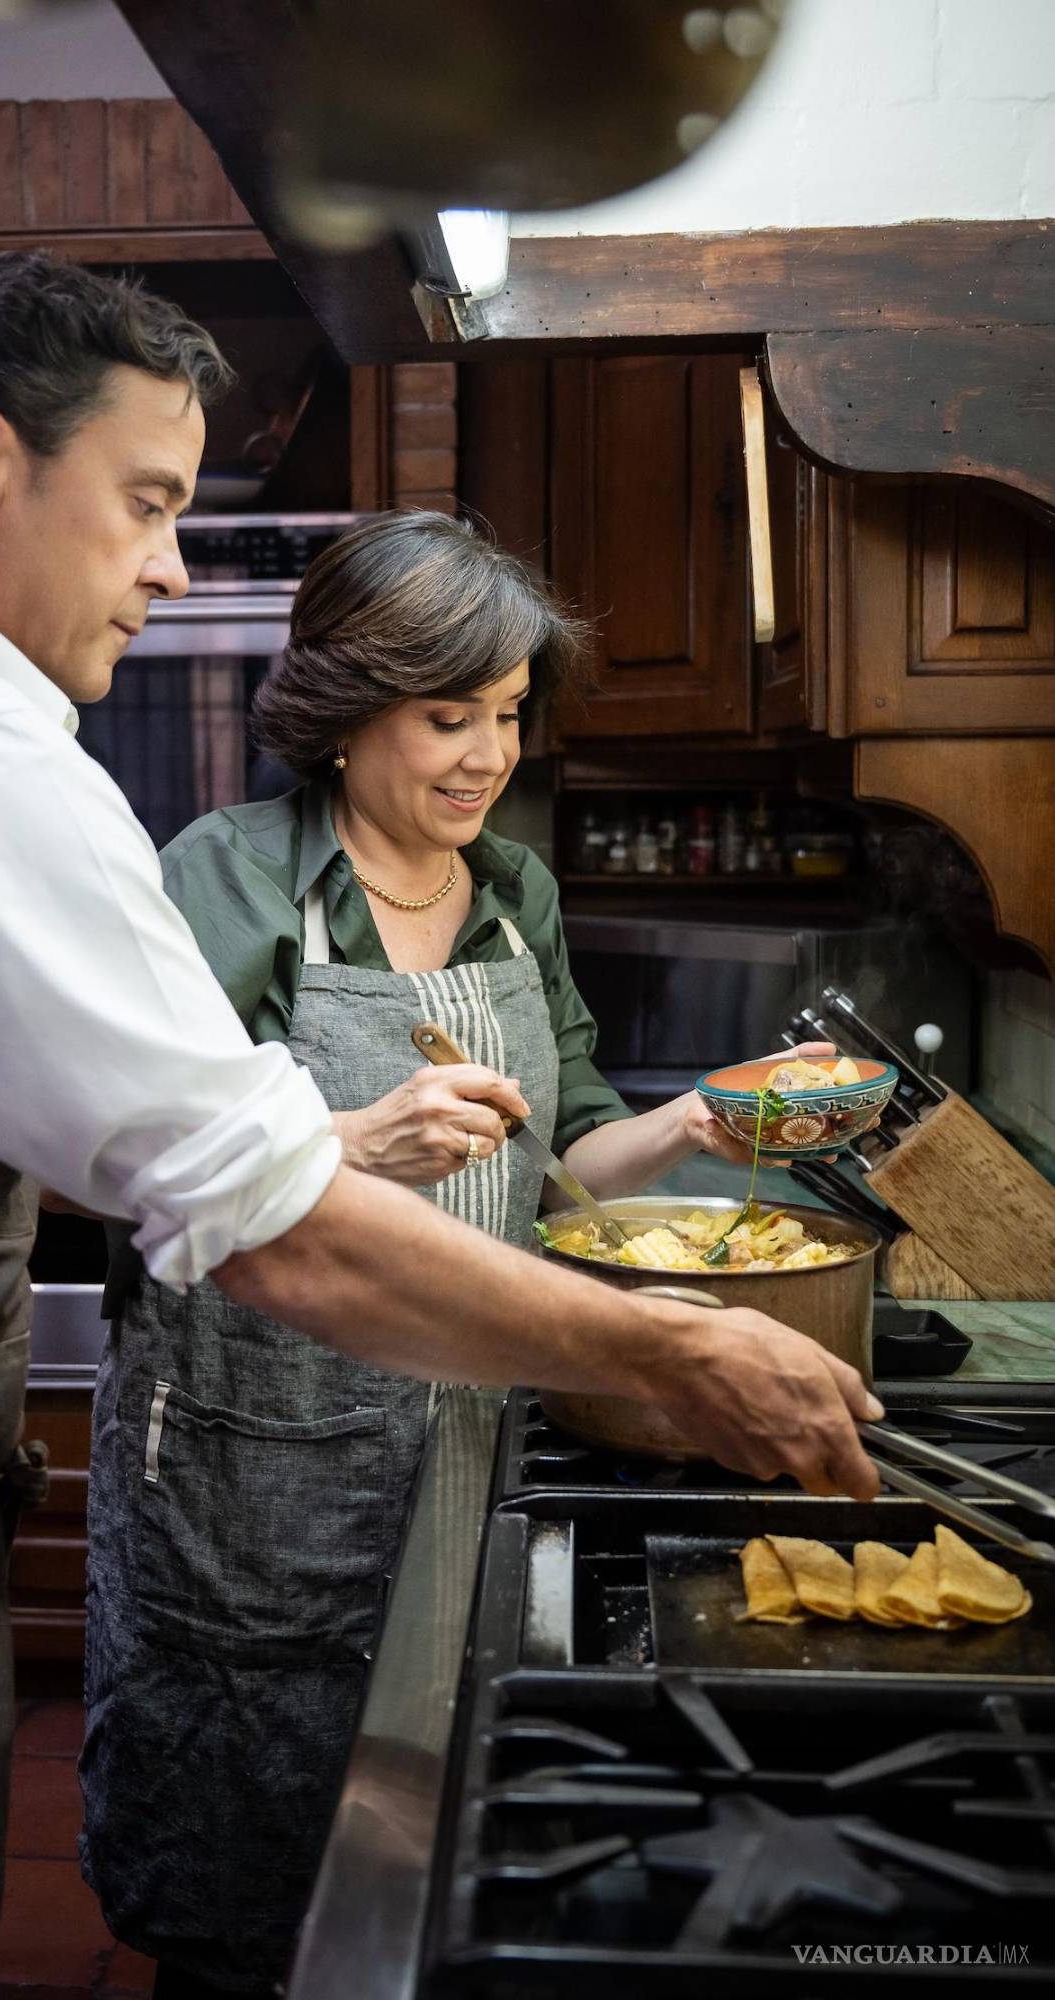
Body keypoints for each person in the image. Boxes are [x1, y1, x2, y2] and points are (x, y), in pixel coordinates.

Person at [0, 251, 880, 2000]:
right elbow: (249, 1215)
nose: (175, 566)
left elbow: (482, 1148)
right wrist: (670, 1357)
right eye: (147, 502)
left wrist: (705, 1131)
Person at [77, 510, 855, 1998]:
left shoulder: (517, 891)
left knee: (426, 1853)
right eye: (448, 718)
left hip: (466, 1434)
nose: (487, 755)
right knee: (243, 1851)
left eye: (505, 716)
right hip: (257, 1461)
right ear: (346, 707)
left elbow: (562, 1169)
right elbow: (137, 1169)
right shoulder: (228, 878)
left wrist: (706, 1118)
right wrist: (355, 1141)